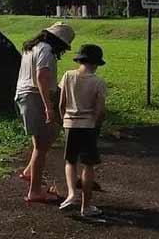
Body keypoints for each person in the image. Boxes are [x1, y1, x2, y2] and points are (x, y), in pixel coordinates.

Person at [15, 22, 75, 203]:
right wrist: (48, 106)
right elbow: (41, 78)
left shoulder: (31, 48)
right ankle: (34, 191)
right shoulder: (47, 51)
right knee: (41, 145)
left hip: (25, 95)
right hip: (35, 96)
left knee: (46, 137)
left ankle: (29, 172)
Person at [57, 44, 107, 218]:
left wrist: (64, 119)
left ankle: (71, 194)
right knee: (88, 164)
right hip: (89, 125)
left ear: (80, 60)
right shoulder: (98, 82)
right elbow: (100, 110)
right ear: (96, 63)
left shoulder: (68, 76)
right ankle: (86, 206)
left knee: (70, 161)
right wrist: (97, 124)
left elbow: (61, 103)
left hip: (70, 124)